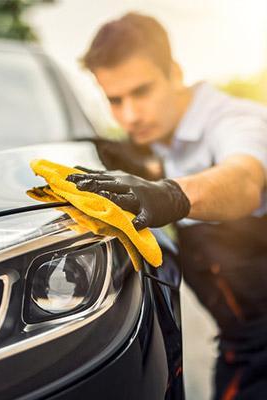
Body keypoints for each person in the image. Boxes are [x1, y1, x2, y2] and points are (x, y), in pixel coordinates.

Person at [67, 12, 267, 400]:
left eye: (141, 92)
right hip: (239, 349)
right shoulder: (158, 142)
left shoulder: (236, 120)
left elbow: (244, 180)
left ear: (175, 73)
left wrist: (172, 194)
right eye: (114, 100)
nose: (130, 115)